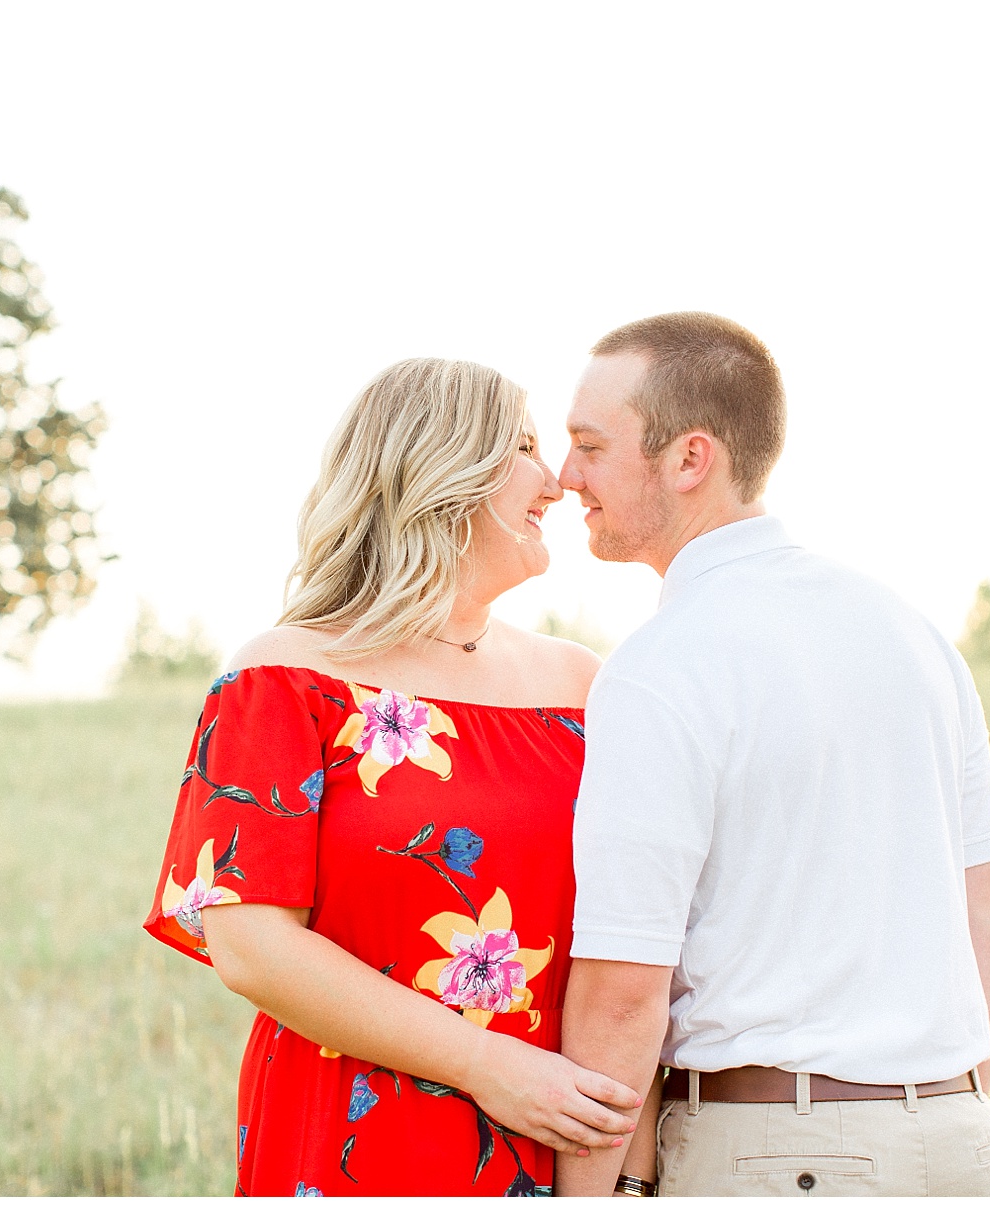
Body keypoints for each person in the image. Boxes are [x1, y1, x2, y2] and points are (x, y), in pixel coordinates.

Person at [143, 358, 643, 1197]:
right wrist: (490, 1066)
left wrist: (628, 1174)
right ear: (439, 470)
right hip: (351, 1141)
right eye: (522, 445)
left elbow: (642, 935)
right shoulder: (283, 677)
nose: (556, 480)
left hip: (568, 1146)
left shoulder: (588, 687)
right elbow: (252, 946)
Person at [552, 313, 990, 1197]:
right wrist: (938, 1114)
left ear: (691, 459)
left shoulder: (660, 667)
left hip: (778, 1159)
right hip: (969, 1146)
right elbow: (985, 904)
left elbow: (624, 987)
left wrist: (589, 1194)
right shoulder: (913, 635)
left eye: (588, 446)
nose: (564, 475)